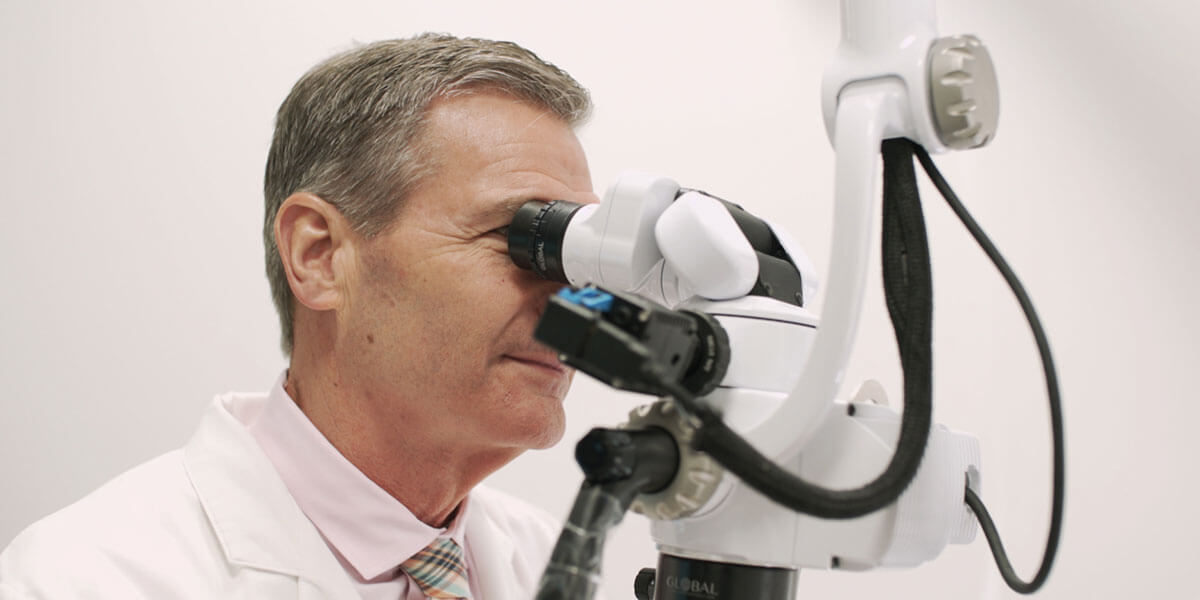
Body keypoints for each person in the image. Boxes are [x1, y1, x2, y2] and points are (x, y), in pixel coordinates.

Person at [0, 33, 597, 599]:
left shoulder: (549, 562)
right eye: (525, 239)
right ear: (320, 256)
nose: (576, 296)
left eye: (582, 257)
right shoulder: (85, 577)